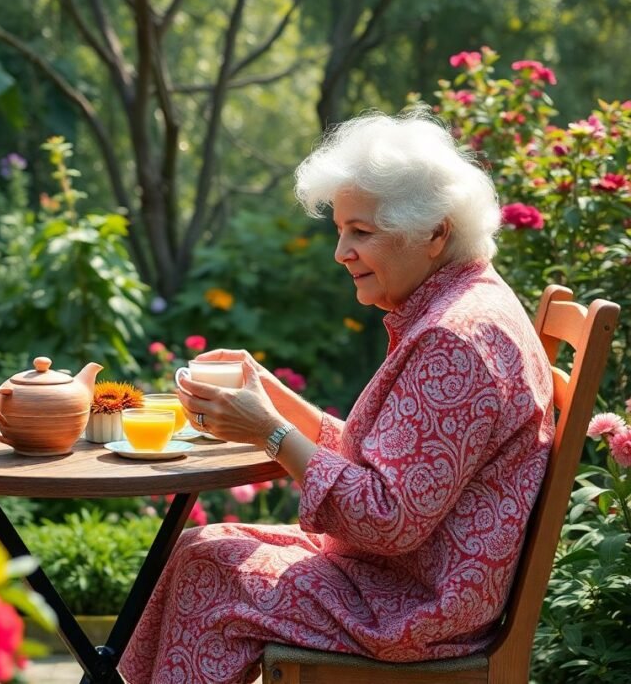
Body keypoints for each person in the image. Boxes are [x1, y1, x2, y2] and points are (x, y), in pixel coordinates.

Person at [118, 110, 555, 684]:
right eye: (341, 230)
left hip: (418, 606)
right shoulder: (462, 305)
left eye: (362, 232)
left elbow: (386, 517)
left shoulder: (456, 339)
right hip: (412, 578)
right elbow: (381, 465)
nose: (340, 252)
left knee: (210, 573)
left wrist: (269, 433)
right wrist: (272, 394)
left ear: (435, 232)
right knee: (201, 546)